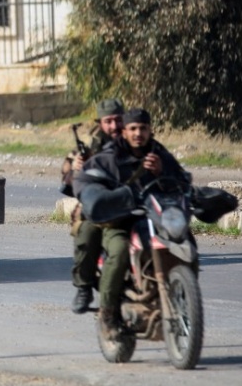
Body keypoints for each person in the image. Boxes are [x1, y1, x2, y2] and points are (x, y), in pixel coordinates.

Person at [72, 108, 188, 340]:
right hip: (118, 221)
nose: (138, 133)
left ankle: (182, 295)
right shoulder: (108, 157)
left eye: (143, 128)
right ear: (124, 132)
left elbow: (183, 182)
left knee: (183, 242)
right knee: (120, 250)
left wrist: (162, 172)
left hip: (153, 219)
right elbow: (82, 181)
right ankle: (107, 314)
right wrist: (100, 197)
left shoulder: (159, 154)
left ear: (150, 130)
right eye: (133, 129)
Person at [65, 98, 125, 314]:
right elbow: (66, 182)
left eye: (119, 120)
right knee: (87, 233)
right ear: (100, 123)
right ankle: (84, 288)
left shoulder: (136, 137)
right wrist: (75, 169)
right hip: (98, 205)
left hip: (132, 201)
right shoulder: (89, 146)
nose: (114, 126)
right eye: (109, 121)